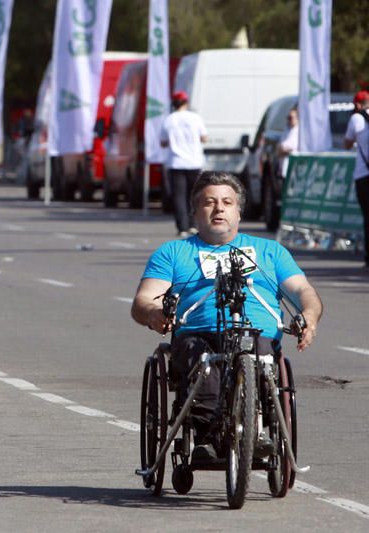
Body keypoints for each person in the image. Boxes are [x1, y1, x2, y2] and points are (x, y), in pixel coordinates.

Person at [131, 171, 322, 459]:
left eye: (227, 202)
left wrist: (309, 315)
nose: (219, 208)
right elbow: (143, 300)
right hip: (198, 334)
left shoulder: (270, 251)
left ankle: (255, 430)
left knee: (258, 353)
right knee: (205, 364)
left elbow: (303, 291)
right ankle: (207, 437)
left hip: (257, 334)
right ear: (195, 211)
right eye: (210, 202)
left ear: (239, 210)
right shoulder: (173, 252)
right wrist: (154, 313)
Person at [160, 91, 208, 237]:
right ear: (186, 103)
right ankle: (194, 224)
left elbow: (162, 142)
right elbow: (204, 138)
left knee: (179, 196)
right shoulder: (195, 118)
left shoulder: (169, 120)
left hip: (176, 162)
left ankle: (182, 227)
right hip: (194, 161)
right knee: (195, 195)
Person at [344, 90, 369, 268]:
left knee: (367, 217)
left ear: (358, 105)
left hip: (364, 174)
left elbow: (347, 143)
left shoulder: (357, 118)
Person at [276, 106, 299, 178]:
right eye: (288, 117)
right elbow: (280, 148)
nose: (289, 120)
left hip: (294, 168)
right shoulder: (286, 130)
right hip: (284, 168)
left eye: (291, 117)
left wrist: (285, 151)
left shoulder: (299, 131)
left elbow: (294, 149)